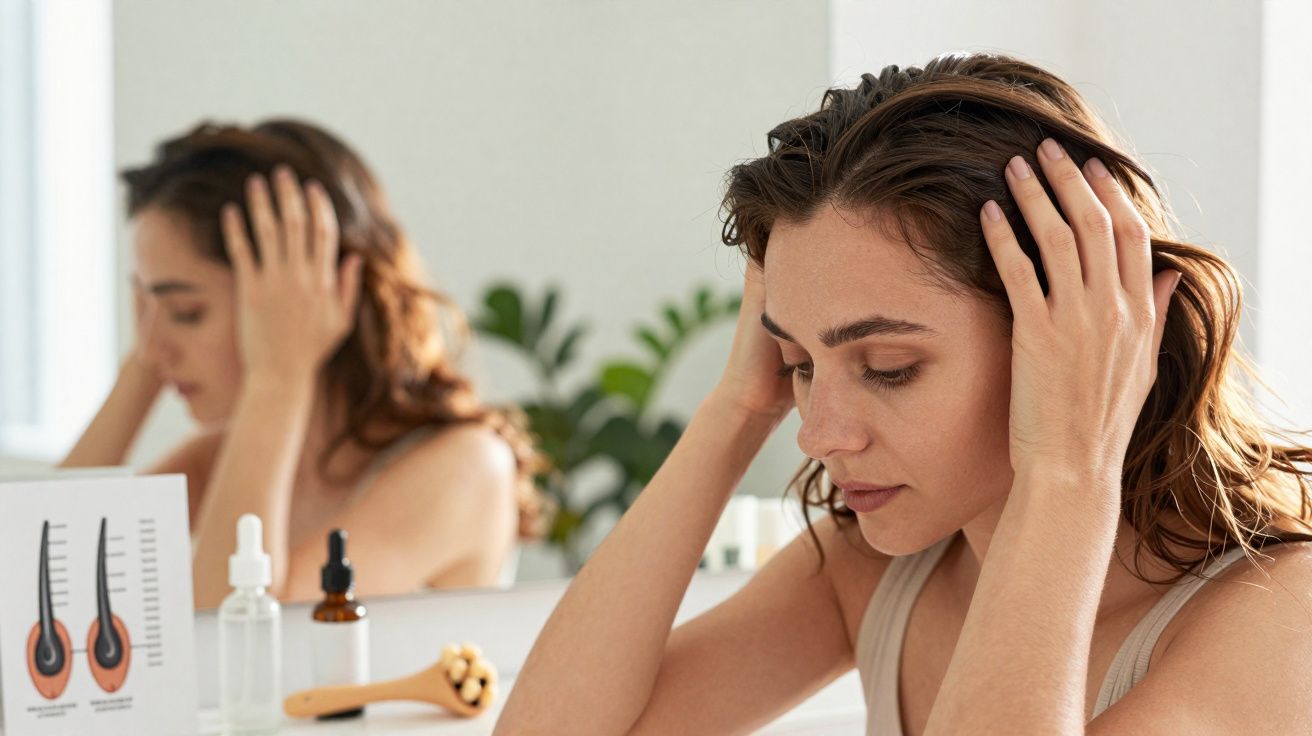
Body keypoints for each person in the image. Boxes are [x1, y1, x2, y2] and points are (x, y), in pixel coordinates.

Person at [497, 52, 1312, 734]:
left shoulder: (1281, 618)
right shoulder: (879, 569)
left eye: (888, 367)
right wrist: (736, 410)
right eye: (801, 363)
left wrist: (1068, 470)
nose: (819, 434)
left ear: (1080, 338)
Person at [62, 119, 545, 608]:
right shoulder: (215, 462)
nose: (150, 347)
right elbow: (38, 571)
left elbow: (242, 637)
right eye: (141, 306)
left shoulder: (465, 466)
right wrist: (140, 374)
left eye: (187, 311)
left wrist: (280, 375)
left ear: (305, 296)